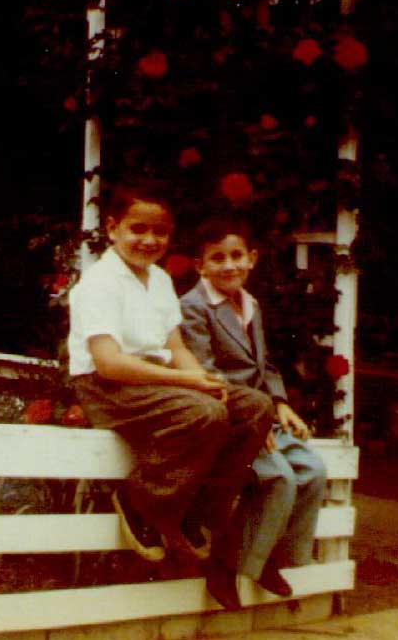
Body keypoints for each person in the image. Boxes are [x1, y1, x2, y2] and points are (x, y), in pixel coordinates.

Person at [68, 180, 274, 610]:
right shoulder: (98, 283)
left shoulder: (160, 280)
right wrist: (191, 386)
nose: (149, 240)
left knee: (254, 407)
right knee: (204, 413)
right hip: (109, 386)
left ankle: (197, 511)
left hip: (156, 380)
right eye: (137, 229)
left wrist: (209, 382)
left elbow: (177, 349)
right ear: (112, 228)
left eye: (159, 232)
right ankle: (141, 499)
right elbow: (109, 363)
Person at [180, 215, 327, 598]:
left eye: (236, 256)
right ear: (201, 265)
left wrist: (280, 404)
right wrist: (255, 422)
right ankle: (226, 566)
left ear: (252, 259)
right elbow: (206, 375)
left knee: (312, 470)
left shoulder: (250, 305)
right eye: (217, 258)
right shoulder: (193, 308)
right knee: (278, 478)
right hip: (232, 419)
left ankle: (271, 559)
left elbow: (265, 366)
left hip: (263, 413)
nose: (228, 265)